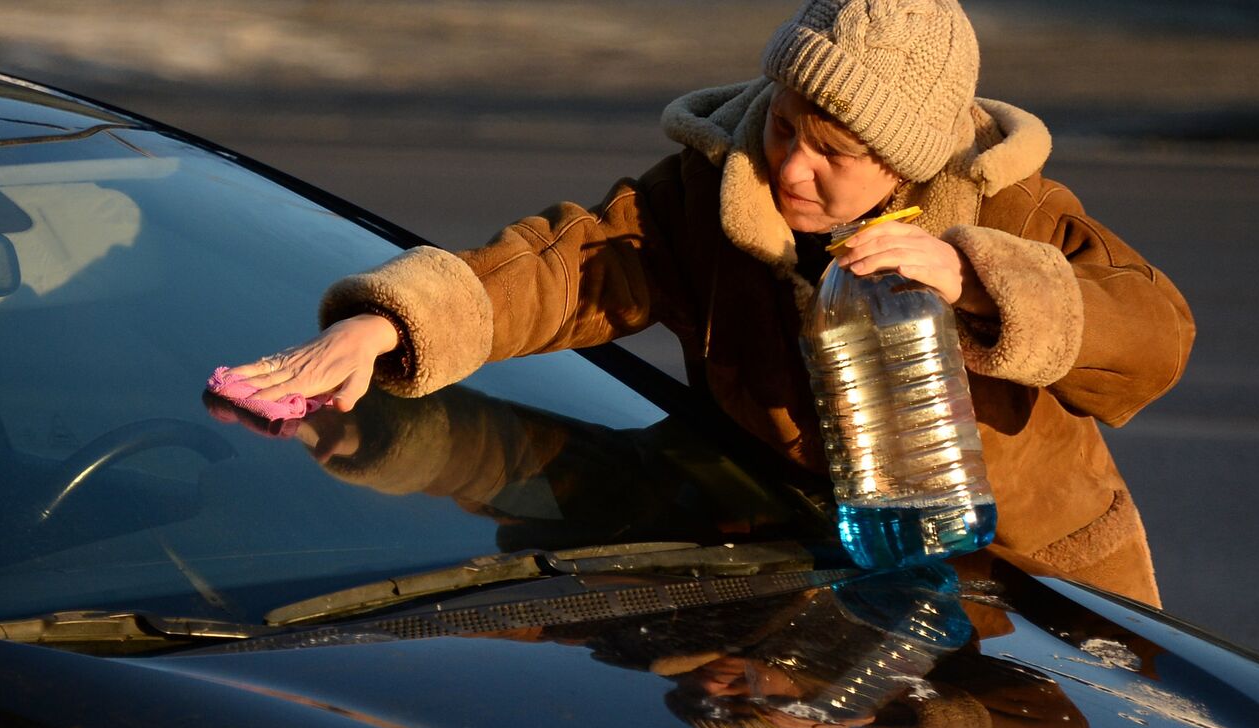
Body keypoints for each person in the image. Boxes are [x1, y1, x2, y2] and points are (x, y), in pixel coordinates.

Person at [221, 0, 1195, 606]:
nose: (792, 165)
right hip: (824, 587)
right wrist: (388, 319)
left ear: (908, 162)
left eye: (836, 155)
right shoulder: (704, 203)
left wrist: (980, 279)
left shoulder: (1014, 209)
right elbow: (561, 267)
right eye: (785, 123)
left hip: (1052, 597)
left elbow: (1157, 336)